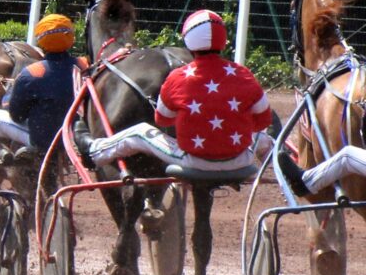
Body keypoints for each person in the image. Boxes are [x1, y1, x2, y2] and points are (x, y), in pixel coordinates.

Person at [83, 9, 274, 173]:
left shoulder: (177, 78)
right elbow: (264, 120)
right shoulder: (244, 74)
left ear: (188, 40)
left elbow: (162, 120)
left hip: (192, 160)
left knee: (139, 133)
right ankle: (288, 173)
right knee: (265, 139)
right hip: (241, 159)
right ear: (224, 40)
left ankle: (95, 150)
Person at [0, 14, 82, 165]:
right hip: (77, 136)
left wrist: (9, 98)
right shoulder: (85, 66)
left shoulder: (32, 73)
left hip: (44, 141)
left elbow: (16, 115)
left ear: (41, 42)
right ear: (71, 39)